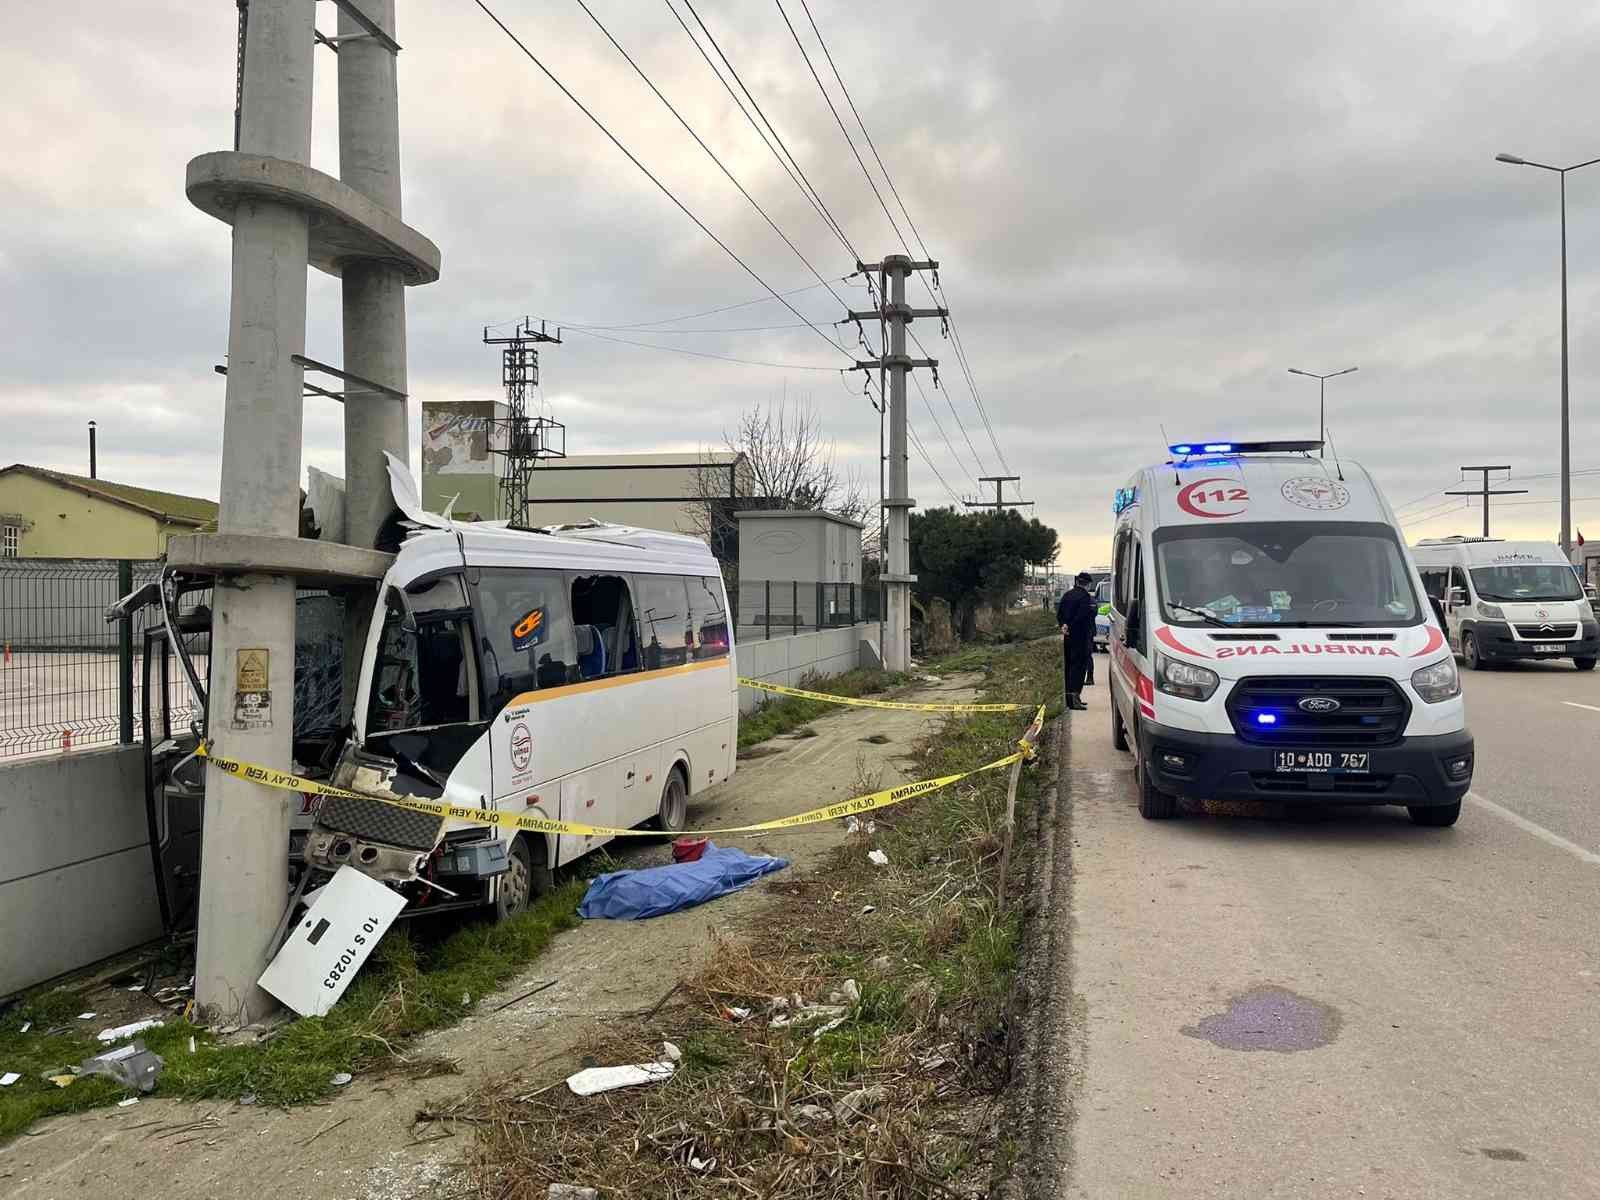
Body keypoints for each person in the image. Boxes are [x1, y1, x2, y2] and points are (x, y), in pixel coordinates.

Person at [1056, 571, 1095, 711]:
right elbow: (1082, 616)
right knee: (1079, 667)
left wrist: (1064, 625)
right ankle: (1075, 699)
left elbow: (1059, 613)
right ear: (1088, 584)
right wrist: (1071, 625)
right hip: (1081, 637)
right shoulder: (1085, 597)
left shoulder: (1067, 595)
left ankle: (1068, 699)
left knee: (1068, 666)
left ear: (1077, 582)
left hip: (1068, 637)